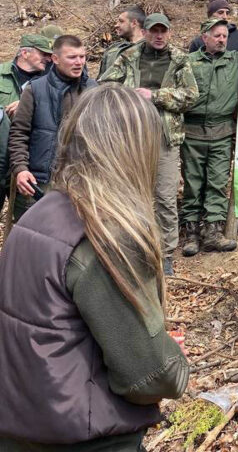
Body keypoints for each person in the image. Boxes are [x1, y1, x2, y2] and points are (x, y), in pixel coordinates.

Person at [0, 85, 189, 450]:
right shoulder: (106, 236)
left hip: (20, 423)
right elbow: (146, 376)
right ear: (137, 149)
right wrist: (172, 360)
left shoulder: (39, 213)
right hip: (82, 435)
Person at [100, 13, 199, 276]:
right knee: (131, 195)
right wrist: (127, 96)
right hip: (132, 138)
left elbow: (191, 95)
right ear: (143, 32)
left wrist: (154, 96)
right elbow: (106, 85)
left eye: (163, 31)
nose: (159, 36)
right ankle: (132, 248)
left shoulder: (179, 60)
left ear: (169, 33)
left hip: (165, 139)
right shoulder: (128, 56)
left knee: (165, 198)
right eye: (154, 31)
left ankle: (165, 254)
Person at [9, 35, 96, 221]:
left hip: (82, 181)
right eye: (72, 57)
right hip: (41, 182)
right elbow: (19, 134)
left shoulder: (93, 90)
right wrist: (21, 168)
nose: (79, 62)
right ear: (55, 59)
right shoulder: (35, 89)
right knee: (35, 236)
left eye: (82, 56)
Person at [181, 19, 238, 256]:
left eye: (224, 36)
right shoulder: (188, 63)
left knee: (217, 182)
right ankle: (191, 233)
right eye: (216, 36)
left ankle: (213, 232)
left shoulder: (236, 61)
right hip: (193, 132)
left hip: (222, 132)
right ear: (204, 37)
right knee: (193, 183)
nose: (221, 40)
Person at [0, 35, 52, 216]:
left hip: (27, 165)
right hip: (0, 160)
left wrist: (26, 103)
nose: (48, 58)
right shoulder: (0, 74)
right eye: (43, 54)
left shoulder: (50, 82)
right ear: (25, 53)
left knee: (29, 221)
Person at [99, 5, 146, 76]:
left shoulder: (150, 50)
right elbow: (100, 81)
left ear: (134, 23)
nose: (116, 25)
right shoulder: (113, 49)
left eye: (121, 21)